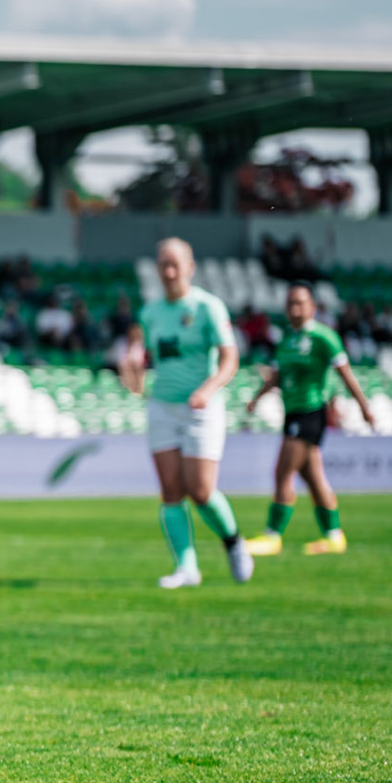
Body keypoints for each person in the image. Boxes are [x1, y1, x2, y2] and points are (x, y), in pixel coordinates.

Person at [124, 237, 252, 589]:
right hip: (163, 405)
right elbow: (141, 355)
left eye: (174, 264)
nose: (168, 271)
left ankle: (233, 541)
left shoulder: (208, 307)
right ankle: (186, 567)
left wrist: (208, 389)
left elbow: (230, 358)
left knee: (201, 490)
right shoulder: (150, 312)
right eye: (162, 264)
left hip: (201, 408)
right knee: (170, 490)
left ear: (189, 267)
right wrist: (133, 368)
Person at [245, 282, 376, 556]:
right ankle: (333, 536)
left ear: (312, 307)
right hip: (292, 412)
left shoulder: (324, 337)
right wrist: (258, 397)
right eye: (290, 303)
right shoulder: (286, 340)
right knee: (313, 476)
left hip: (311, 412)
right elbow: (278, 376)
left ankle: (272, 536)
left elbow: (345, 372)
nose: (295, 308)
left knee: (283, 471)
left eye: (300, 303)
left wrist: (364, 406)